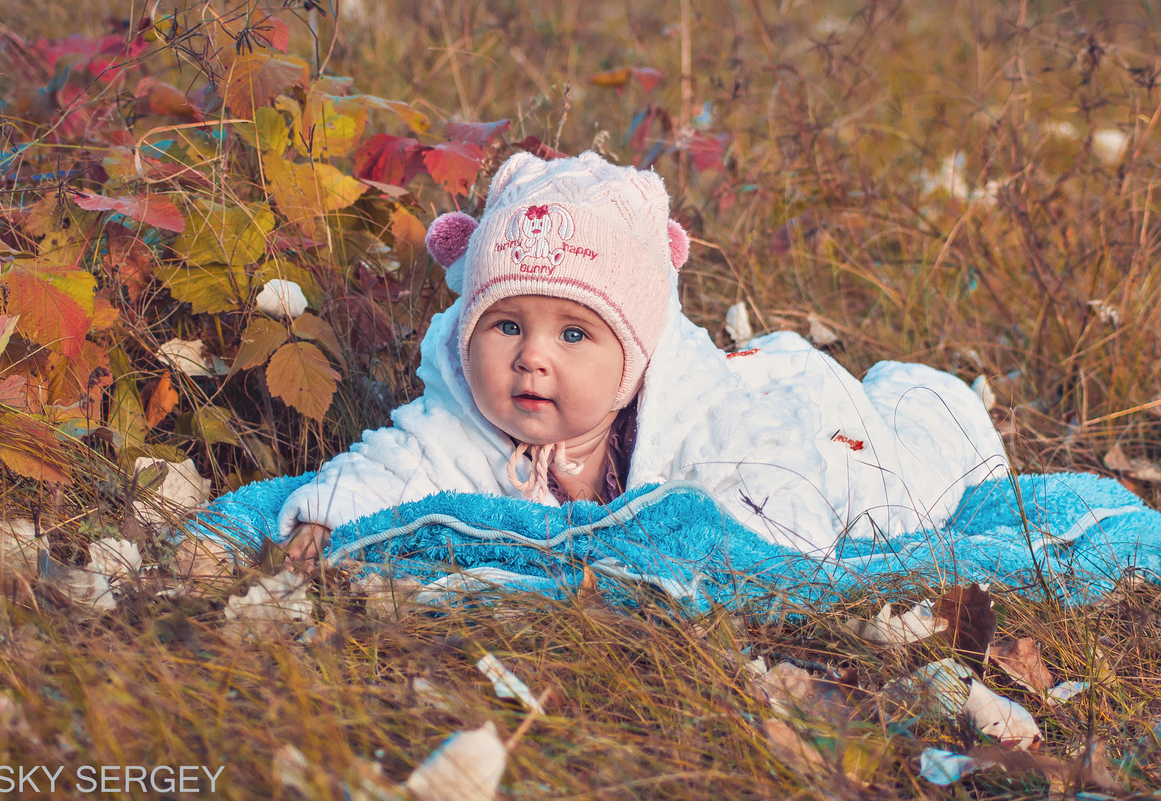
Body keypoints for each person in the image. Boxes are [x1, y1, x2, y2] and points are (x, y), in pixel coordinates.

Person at [182, 151, 1008, 575]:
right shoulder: (465, 415)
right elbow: (396, 464)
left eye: (574, 335)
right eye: (507, 325)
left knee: (912, 478)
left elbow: (778, 498)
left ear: (632, 358)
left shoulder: (708, 417)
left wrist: (731, 545)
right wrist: (327, 517)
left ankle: (938, 399)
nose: (532, 357)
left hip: (814, 419)